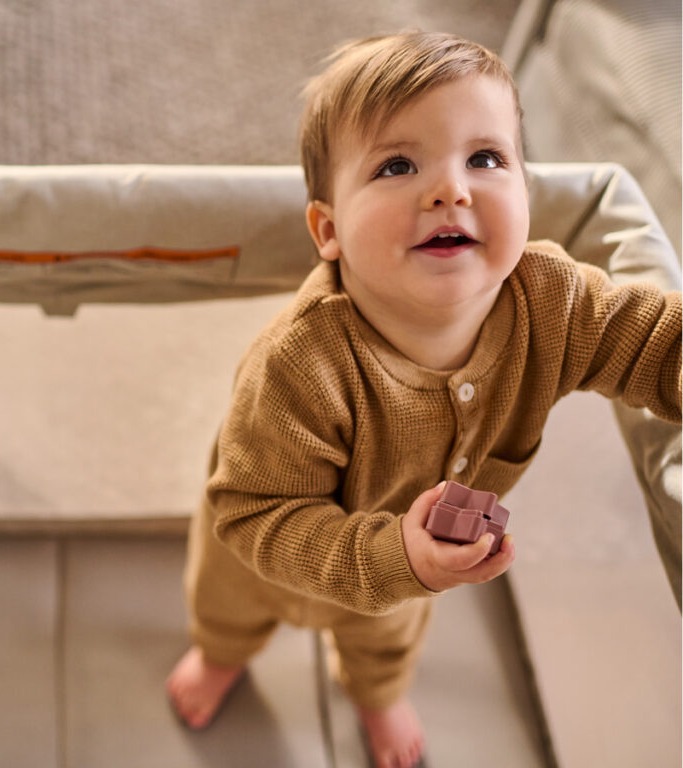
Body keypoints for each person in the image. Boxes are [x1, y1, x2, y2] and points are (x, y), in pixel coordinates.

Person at [165, 31, 682, 768]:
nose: (451, 189)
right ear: (329, 230)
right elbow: (254, 513)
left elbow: (654, 344)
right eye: (398, 165)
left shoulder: (553, 302)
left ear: (527, 194)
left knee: (387, 642)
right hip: (263, 555)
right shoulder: (299, 363)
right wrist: (389, 553)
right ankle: (219, 658)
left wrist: (401, 564)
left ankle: (376, 698)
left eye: (486, 158)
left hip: (409, 575)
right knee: (223, 613)